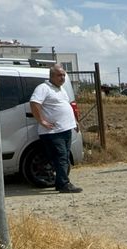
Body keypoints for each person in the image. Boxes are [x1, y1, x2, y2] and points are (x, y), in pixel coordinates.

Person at [29, 64, 83, 193]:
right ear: (51, 76)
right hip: (53, 132)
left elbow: (67, 106)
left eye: (64, 75)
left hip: (65, 130)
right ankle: (64, 184)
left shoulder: (61, 89)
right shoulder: (43, 88)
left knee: (62, 158)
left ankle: (61, 183)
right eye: (59, 75)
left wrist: (74, 121)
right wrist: (41, 121)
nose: (62, 78)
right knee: (61, 157)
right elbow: (34, 103)